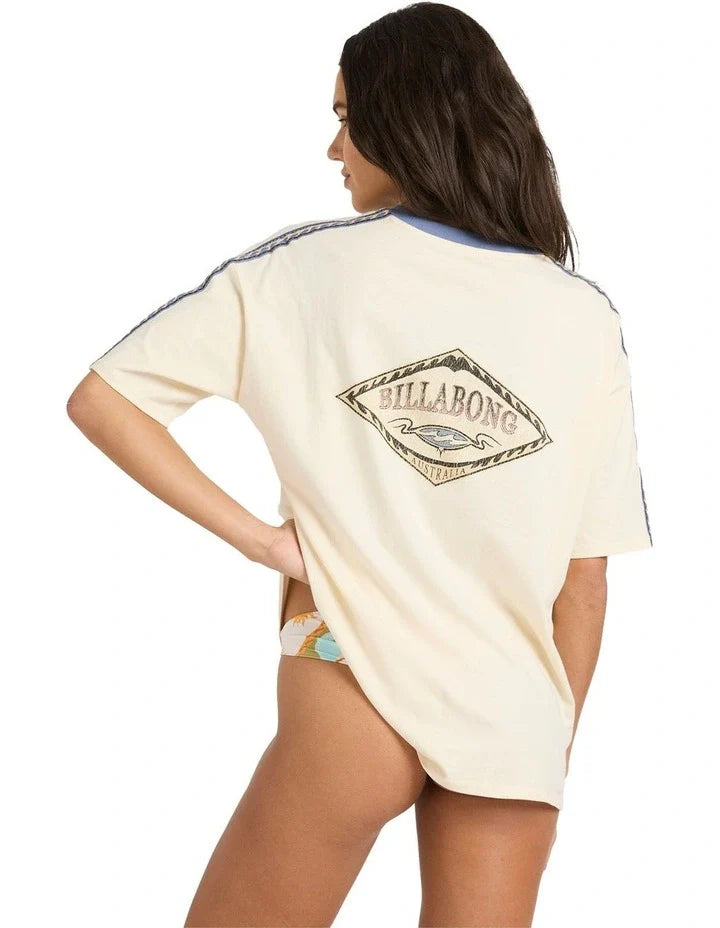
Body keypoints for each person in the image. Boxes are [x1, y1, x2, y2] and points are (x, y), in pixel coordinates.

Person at [67, 3, 653, 925]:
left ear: (403, 117)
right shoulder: (583, 315)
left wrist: (265, 544)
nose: (333, 149)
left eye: (346, 118)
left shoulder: (302, 272)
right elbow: (586, 580)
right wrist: (549, 748)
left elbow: (103, 399)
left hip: (350, 675)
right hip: (515, 716)